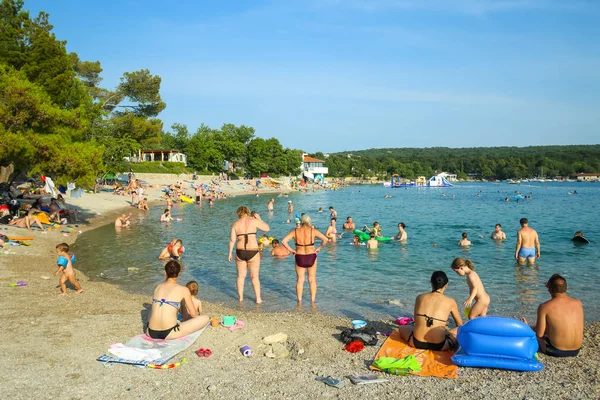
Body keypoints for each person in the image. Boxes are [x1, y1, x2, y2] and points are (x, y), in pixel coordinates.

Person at [398, 271, 463, 351]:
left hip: (416, 343)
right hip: (440, 346)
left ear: (431, 282)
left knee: (402, 328)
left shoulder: (420, 297)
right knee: (458, 330)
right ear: (446, 285)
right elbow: (459, 324)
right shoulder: (450, 301)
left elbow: (416, 320)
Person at [521, 274, 583, 357]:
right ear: (566, 289)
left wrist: (526, 327)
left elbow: (539, 334)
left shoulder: (544, 307)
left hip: (556, 350)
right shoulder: (578, 303)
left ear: (549, 290)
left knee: (533, 332)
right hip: (576, 350)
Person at [146, 261, 209, 339]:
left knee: (154, 306)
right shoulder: (184, 289)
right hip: (169, 333)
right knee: (205, 318)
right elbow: (194, 314)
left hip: (151, 332)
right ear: (179, 273)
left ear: (165, 272)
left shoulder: (158, 287)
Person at [281, 214, 328, 305]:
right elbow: (325, 239)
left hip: (299, 256)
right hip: (311, 256)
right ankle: (313, 301)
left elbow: (283, 241)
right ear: (309, 222)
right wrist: (319, 248)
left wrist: (291, 250)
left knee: (300, 280)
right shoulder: (313, 231)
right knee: (312, 280)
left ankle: (299, 301)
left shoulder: (295, 231)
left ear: (301, 222)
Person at [228, 206, 270, 303]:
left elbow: (232, 240)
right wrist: (259, 218)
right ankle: (258, 299)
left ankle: (241, 298)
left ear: (238, 214)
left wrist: (230, 253)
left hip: (240, 251)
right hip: (253, 251)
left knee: (240, 276)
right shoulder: (253, 220)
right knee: (254, 276)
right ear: (248, 212)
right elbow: (267, 228)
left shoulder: (235, 224)